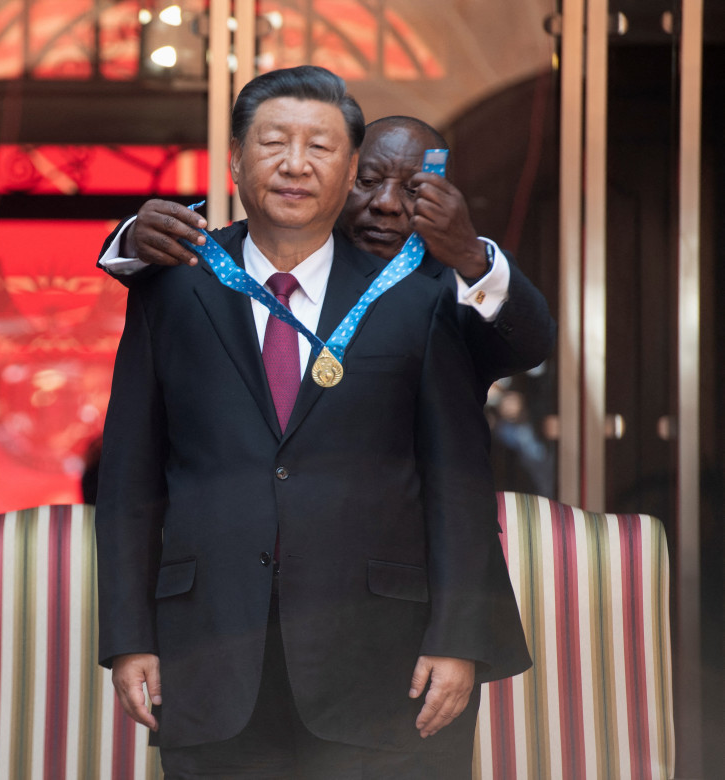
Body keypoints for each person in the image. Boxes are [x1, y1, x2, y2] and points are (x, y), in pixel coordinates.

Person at [95, 66, 530, 778]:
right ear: (234, 158)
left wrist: (460, 637)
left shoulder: (415, 293)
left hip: (384, 658)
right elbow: (130, 476)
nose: (295, 165)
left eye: (321, 148)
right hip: (207, 653)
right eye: (273, 143)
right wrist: (128, 637)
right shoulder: (171, 287)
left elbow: (457, 479)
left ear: (351, 167)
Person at [98, 116, 556, 399]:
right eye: (369, 181)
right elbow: (173, 267)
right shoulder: (280, 260)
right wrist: (135, 237)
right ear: (338, 179)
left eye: (415, 191)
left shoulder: (455, 286)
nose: (387, 204)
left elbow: (529, 348)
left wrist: (471, 255)